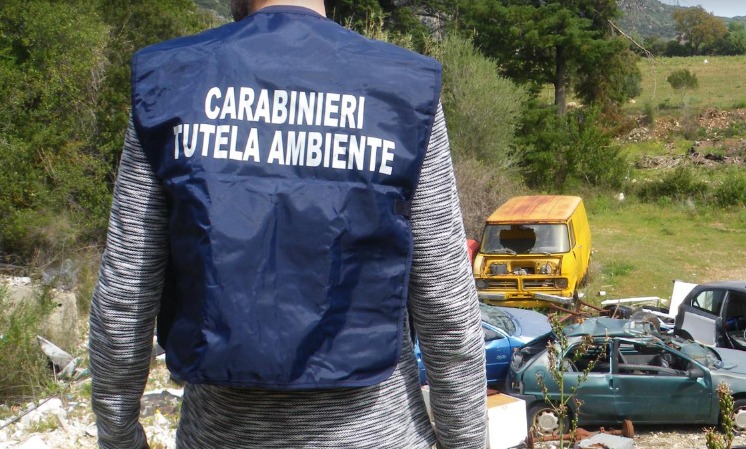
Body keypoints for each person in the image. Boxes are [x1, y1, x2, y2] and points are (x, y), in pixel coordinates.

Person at [89, 0, 487, 447]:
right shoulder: (401, 89)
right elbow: (447, 308)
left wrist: (120, 438)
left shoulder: (172, 80)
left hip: (222, 435)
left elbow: (124, 296)